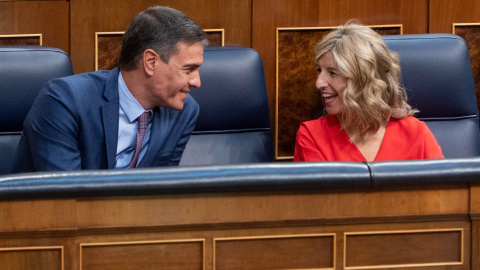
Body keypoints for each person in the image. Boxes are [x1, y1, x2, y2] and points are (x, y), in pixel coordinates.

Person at [10, 6, 208, 172]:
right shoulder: (64, 101)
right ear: (150, 62)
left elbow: (164, 192)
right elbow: (65, 199)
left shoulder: (184, 112)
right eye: (188, 69)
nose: (196, 82)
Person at [293, 22, 444, 162]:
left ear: (364, 80)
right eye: (319, 70)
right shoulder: (312, 136)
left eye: (333, 73)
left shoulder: (414, 132)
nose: (318, 83)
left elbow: (446, 189)